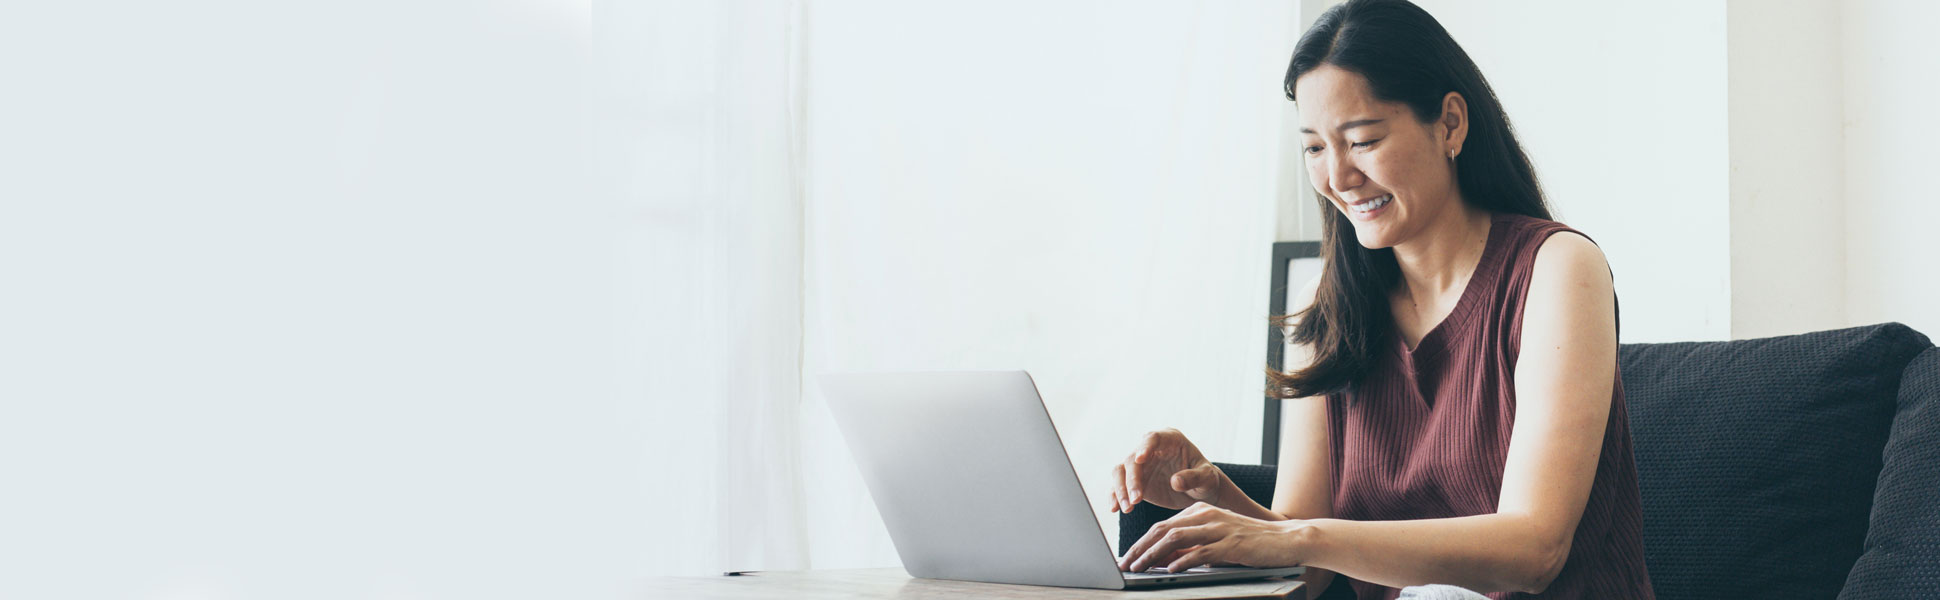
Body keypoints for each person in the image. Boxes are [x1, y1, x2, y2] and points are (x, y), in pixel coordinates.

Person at [1107, 1, 1655, 598]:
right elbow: (1308, 569)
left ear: (1450, 125)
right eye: (1315, 148)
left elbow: (1534, 548)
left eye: (1362, 140)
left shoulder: (1555, 269)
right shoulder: (1334, 308)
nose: (1338, 176)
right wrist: (1216, 492)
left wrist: (1302, 539)